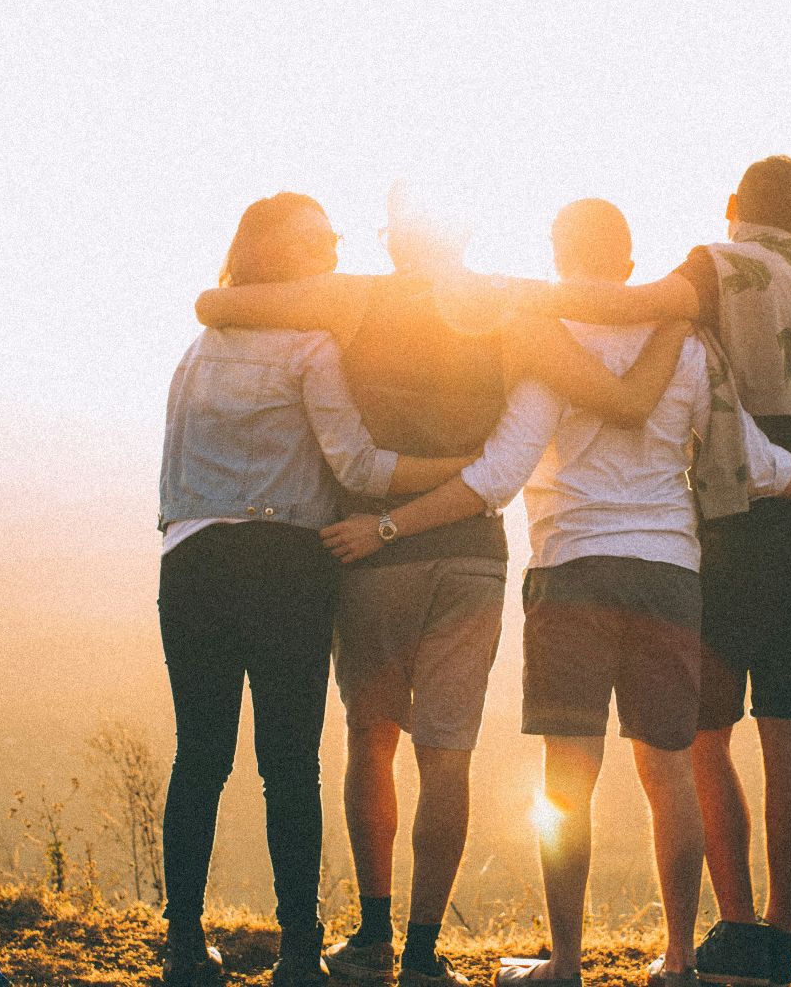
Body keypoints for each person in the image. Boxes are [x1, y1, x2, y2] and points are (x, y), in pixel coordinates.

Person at [322, 199, 791, 987]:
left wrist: (391, 525)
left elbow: (499, 475)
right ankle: (679, 961)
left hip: (572, 571)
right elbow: (755, 463)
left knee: (568, 779)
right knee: (670, 772)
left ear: (558, 257)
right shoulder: (687, 345)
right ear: (629, 263)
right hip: (669, 574)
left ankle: (566, 962)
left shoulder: (549, 343)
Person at [194, 187, 688, 987]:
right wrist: (677, 311)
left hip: (370, 550)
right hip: (471, 556)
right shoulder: (512, 308)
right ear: (464, 233)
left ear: (394, 239)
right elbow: (624, 398)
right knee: (446, 756)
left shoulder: (351, 298)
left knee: (371, 741)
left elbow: (216, 304)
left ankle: (373, 940)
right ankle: (425, 955)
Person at [521, 158, 791, 986]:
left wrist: (510, 299)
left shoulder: (718, 266)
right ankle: (776, 939)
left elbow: (629, 306)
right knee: (790, 723)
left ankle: (734, 929)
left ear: (731, 206)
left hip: (740, 521)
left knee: (703, 737)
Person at [156, 193, 476, 987]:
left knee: (199, 756)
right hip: (286, 564)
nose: (334, 249)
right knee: (290, 763)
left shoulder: (198, 350)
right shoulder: (310, 346)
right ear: (285, 255)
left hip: (191, 561)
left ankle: (185, 947)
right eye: (320, 239)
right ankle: (299, 950)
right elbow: (358, 465)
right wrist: (464, 472)